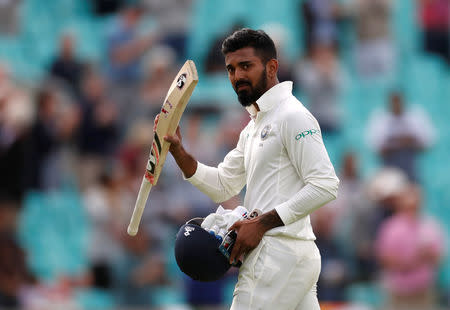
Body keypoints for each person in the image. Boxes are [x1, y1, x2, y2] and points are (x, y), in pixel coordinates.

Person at [163, 28, 339, 310]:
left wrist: (262, 223)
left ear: (272, 67)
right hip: (293, 257)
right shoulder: (254, 126)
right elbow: (224, 184)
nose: (237, 77)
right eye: (231, 69)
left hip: (277, 254)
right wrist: (181, 155)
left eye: (246, 66)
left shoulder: (292, 116)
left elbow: (325, 185)